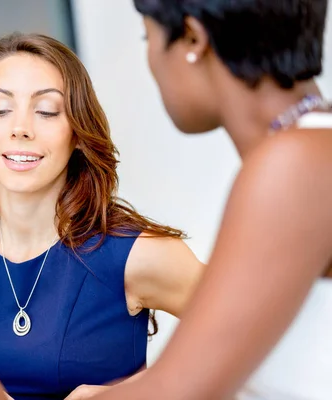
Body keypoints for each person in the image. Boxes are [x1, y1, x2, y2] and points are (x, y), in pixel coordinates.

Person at [0, 32, 204, 400]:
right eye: (0, 110)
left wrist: (130, 394)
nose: (21, 128)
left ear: (77, 133)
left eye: (46, 111)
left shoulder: (137, 253)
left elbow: (247, 342)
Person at [88, 0, 331, 399]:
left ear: (193, 38)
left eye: (148, 37)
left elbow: (178, 392)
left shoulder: (293, 166)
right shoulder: (311, 148)